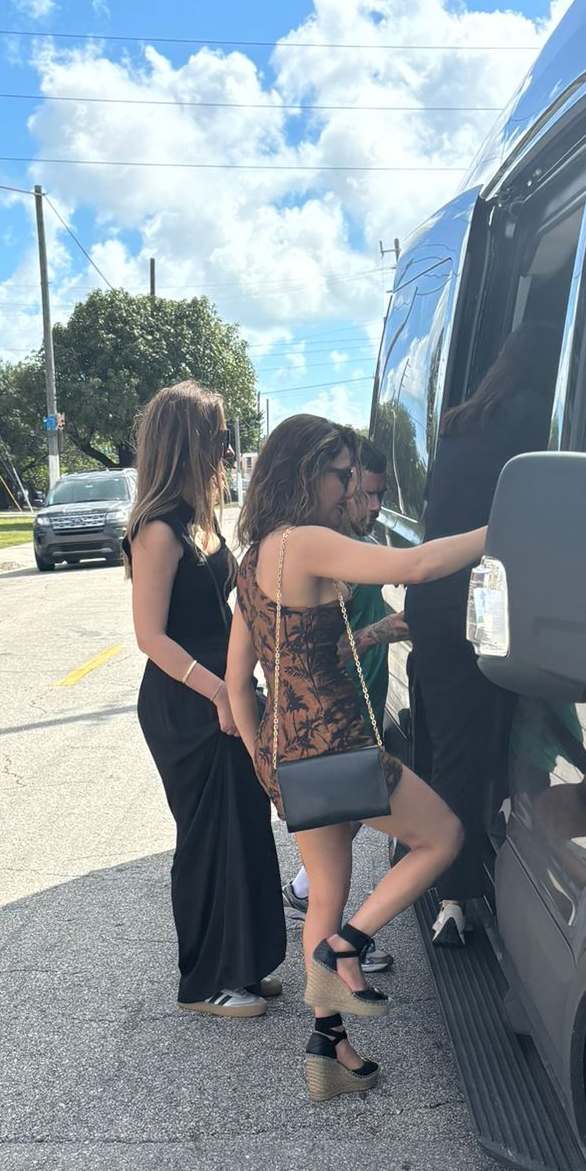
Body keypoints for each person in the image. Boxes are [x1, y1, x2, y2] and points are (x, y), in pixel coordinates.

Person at [226, 414, 486, 1101]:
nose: (350, 489)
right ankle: (347, 946)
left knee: (325, 885)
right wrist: (505, 526)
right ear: (305, 473)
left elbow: (239, 679)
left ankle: (330, 1051)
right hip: (338, 740)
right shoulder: (307, 541)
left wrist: (262, 760)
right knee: (444, 837)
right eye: (342, 475)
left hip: (286, 752)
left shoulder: (253, 560)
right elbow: (419, 564)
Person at [125, 381, 287, 1018]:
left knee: (244, 826)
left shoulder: (200, 518)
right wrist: (220, 690)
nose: (225, 448)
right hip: (185, 701)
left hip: (227, 693)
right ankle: (204, 981)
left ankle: (242, 964)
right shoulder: (158, 529)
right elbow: (149, 636)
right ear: (186, 440)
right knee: (205, 835)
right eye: (217, 436)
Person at [404, 322, 556, 947]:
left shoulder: (461, 424)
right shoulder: (530, 420)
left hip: (434, 604)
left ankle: (434, 867)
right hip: (485, 607)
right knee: (480, 750)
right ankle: (458, 894)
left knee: (445, 747)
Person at [282, 439, 407, 978]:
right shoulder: (328, 553)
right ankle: (339, 948)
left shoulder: (363, 542)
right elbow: (319, 652)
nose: (375, 507)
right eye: (368, 494)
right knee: (350, 831)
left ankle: (307, 897)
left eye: (382, 495)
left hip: (369, 705)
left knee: (349, 823)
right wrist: (388, 629)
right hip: (339, 717)